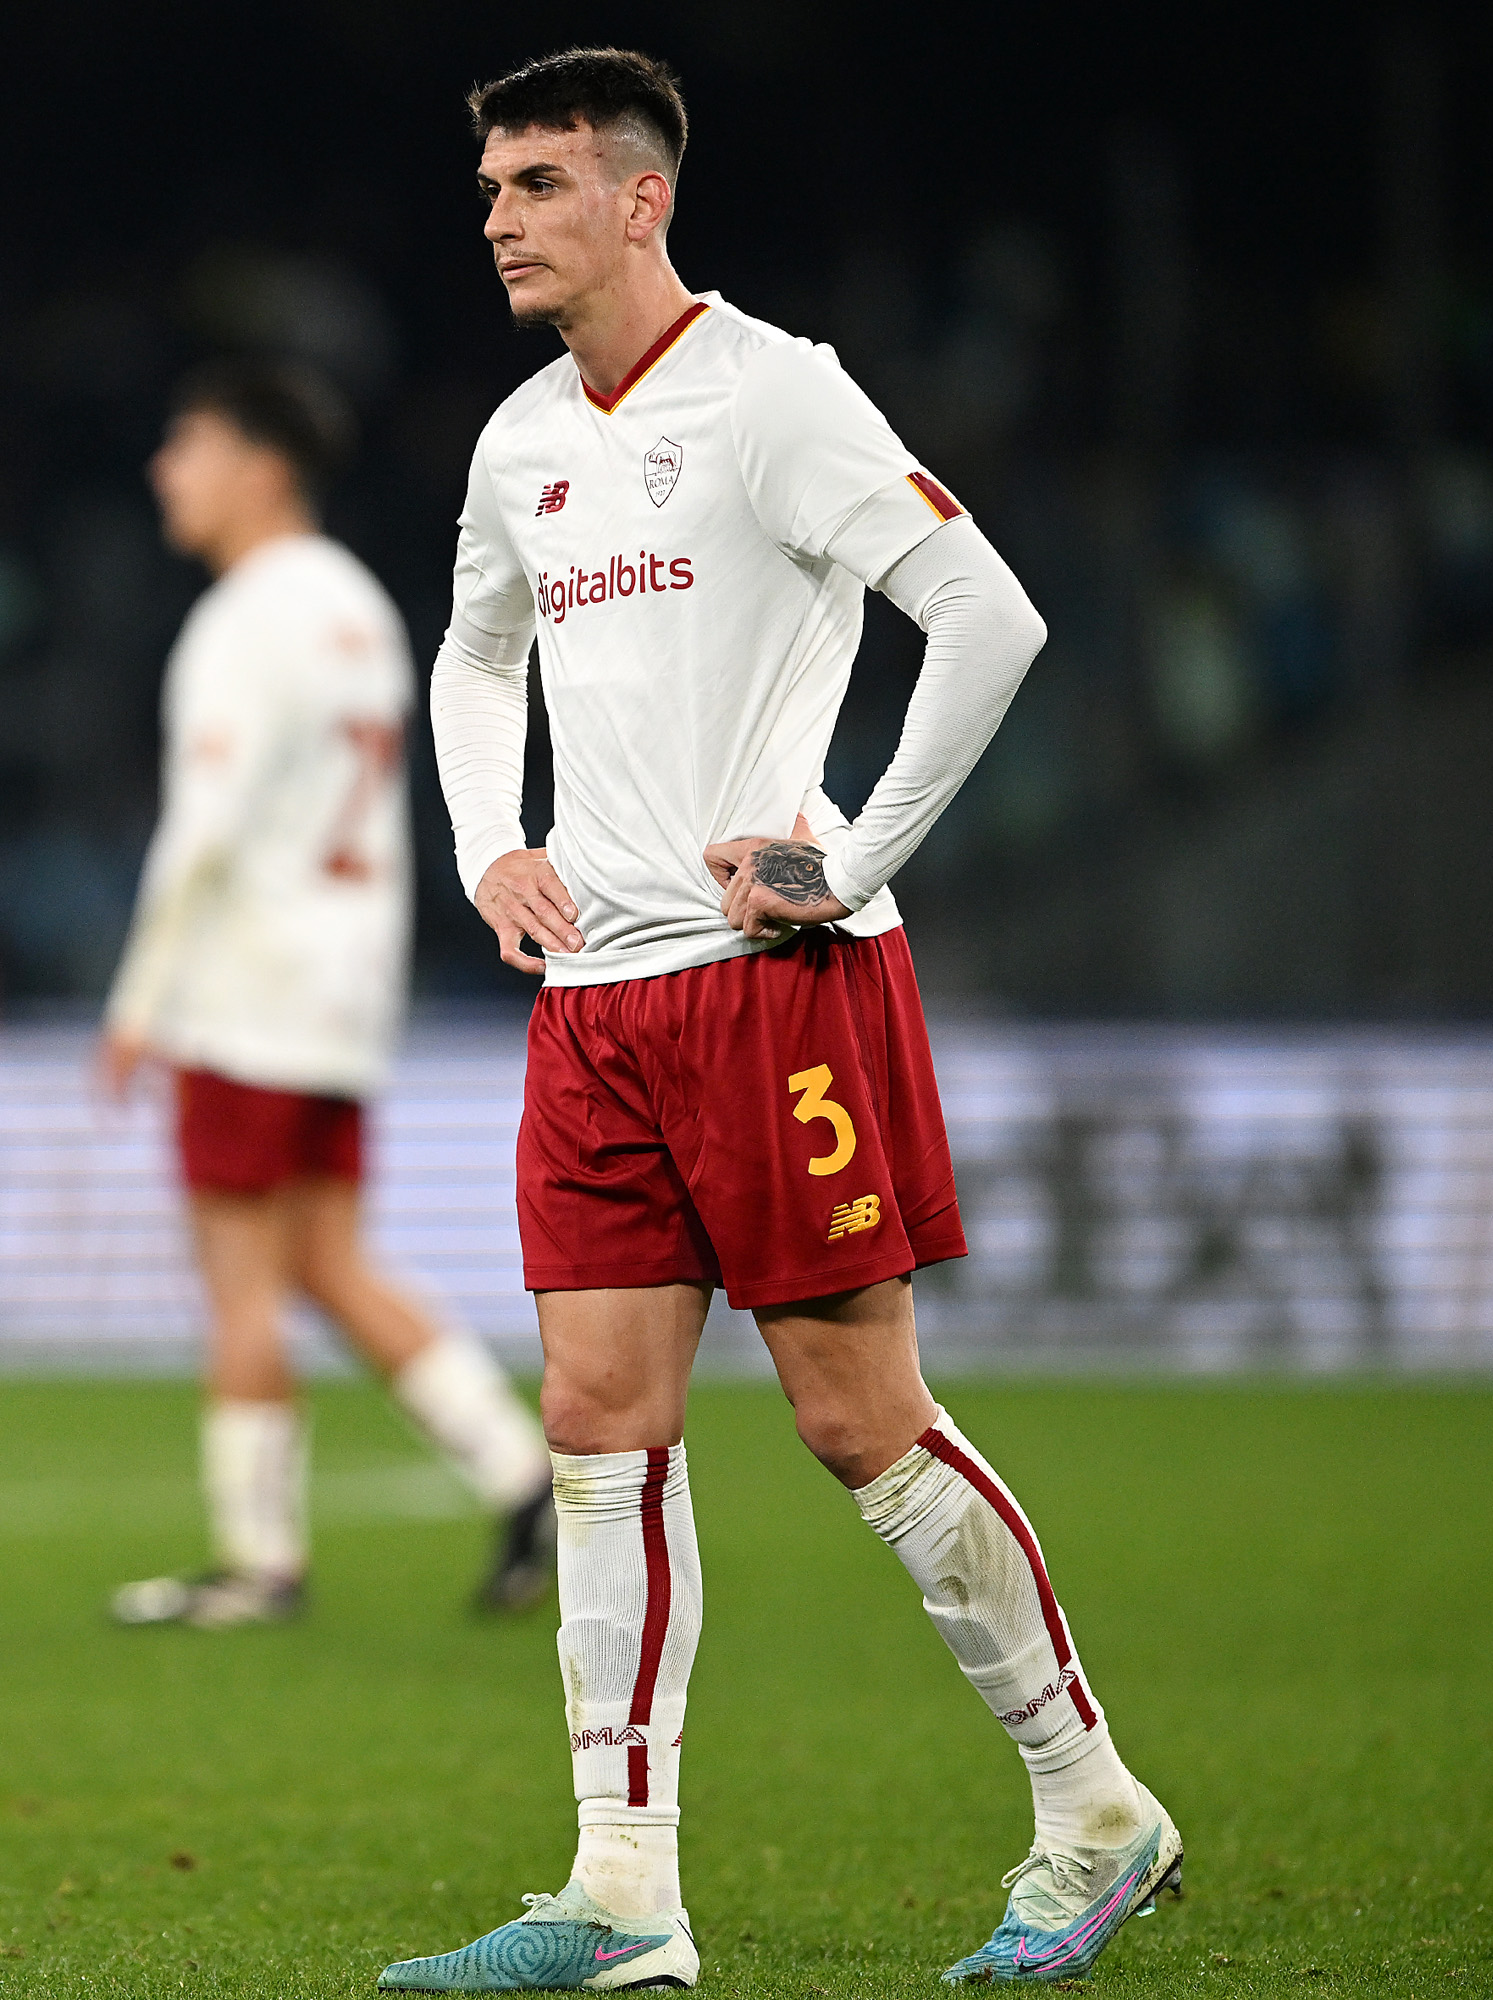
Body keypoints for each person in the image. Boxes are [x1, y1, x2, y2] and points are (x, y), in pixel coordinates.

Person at [376, 50, 1177, 1993]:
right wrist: (494, 844)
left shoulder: (778, 392)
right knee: (595, 1419)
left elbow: (986, 613)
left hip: (777, 991)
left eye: (541, 180)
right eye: (491, 183)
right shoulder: (517, 442)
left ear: (643, 199)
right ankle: (624, 1893)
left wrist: (851, 843)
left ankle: (1095, 1807)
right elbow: (479, 656)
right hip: (596, 1006)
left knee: (854, 1416)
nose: (501, 214)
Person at [100, 361, 556, 1633]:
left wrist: (139, 996)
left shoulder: (245, 617)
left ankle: (258, 1562)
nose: (167, 472)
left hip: (246, 987)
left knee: (244, 1282)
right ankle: (524, 1472)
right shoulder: (357, 603)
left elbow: (206, 825)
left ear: (263, 464)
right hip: (345, 985)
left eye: (188, 443)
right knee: (326, 1257)